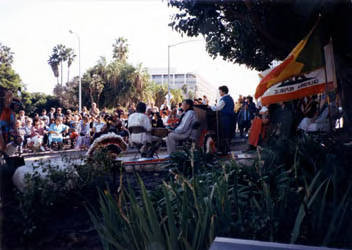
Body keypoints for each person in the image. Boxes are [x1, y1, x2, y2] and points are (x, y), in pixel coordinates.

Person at [211, 86, 235, 155]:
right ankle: (227, 149)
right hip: (230, 118)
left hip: (225, 118)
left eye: (220, 91)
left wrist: (210, 107)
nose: (219, 93)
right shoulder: (230, 98)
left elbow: (217, 108)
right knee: (228, 133)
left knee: (224, 133)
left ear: (223, 91)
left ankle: (225, 150)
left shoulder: (224, 99)